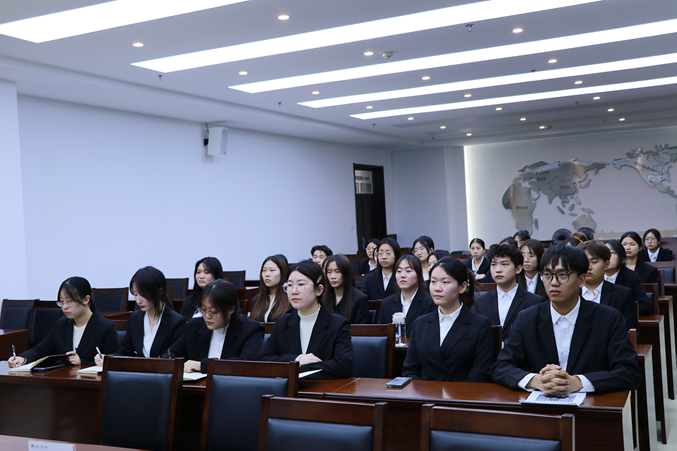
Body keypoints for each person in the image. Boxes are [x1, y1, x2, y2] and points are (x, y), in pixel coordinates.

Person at [492, 245, 641, 395]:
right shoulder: (527, 318)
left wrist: (578, 382)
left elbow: (629, 372)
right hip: (542, 402)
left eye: (563, 275)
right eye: (547, 275)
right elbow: (501, 367)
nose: (554, 282)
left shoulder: (608, 318)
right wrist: (536, 380)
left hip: (591, 403)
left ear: (581, 280)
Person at [256, 261, 353, 379]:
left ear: (319, 290)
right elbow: (262, 359)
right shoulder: (282, 322)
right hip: (288, 388)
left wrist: (294, 368)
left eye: (301, 284)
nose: (294, 291)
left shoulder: (337, 324)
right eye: (290, 285)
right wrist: (297, 360)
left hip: (322, 387)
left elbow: (343, 365)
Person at [402, 257, 493, 382]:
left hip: (462, 392)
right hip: (426, 392)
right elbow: (410, 370)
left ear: (462, 287)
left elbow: (480, 373)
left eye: (445, 282)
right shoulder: (420, 323)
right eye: (433, 282)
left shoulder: (480, 325)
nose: (437, 288)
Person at [8, 277, 119, 368]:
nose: (64, 307)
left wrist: (82, 362)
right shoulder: (61, 324)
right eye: (61, 302)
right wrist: (23, 358)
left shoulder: (105, 327)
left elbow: (113, 364)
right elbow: (42, 349)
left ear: (86, 299)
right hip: (64, 380)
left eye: (69, 301)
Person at [164, 280, 264, 373]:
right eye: (203, 310)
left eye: (213, 312)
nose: (207, 316)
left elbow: (245, 365)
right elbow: (170, 354)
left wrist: (202, 366)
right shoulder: (194, 326)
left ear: (231, 309)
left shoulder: (250, 330)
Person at [96, 267, 186, 365]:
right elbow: (125, 351)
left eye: (143, 294)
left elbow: (173, 356)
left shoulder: (176, 322)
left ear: (159, 292)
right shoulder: (135, 318)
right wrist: (107, 359)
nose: (138, 301)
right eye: (135, 294)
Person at [473, 244, 542, 341]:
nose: (498, 270)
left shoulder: (534, 302)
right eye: (494, 264)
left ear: (518, 269)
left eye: (504, 264)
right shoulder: (480, 302)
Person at [578, 241, 638, 332]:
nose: (588, 267)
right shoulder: (569, 293)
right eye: (584, 262)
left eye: (594, 262)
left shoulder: (622, 295)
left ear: (606, 264)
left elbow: (629, 331)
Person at [377, 255, 434, 336]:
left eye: (408, 271)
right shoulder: (386, 303)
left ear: (419, 274)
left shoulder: (430, 303)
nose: (402, 275)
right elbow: (381, 335)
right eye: (399, 271)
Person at [604, 240, 653, 316]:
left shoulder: (632, 277)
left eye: (612, 252)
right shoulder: (592, 277)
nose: (607, 256)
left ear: (623, 259)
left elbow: (646, 306)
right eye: (603, 253)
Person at [323, 254, 370, 324]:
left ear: (346, 273)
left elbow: (361, 328)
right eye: (329, 272)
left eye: (337, 271)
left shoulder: (360, 299)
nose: (333, 276)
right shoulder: (323, 298)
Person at [250, 255, 290, 322]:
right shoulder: (256, 300)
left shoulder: (290, 299)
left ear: (282, 273)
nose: (267, 274)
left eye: (272, 270)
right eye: (264, 270)